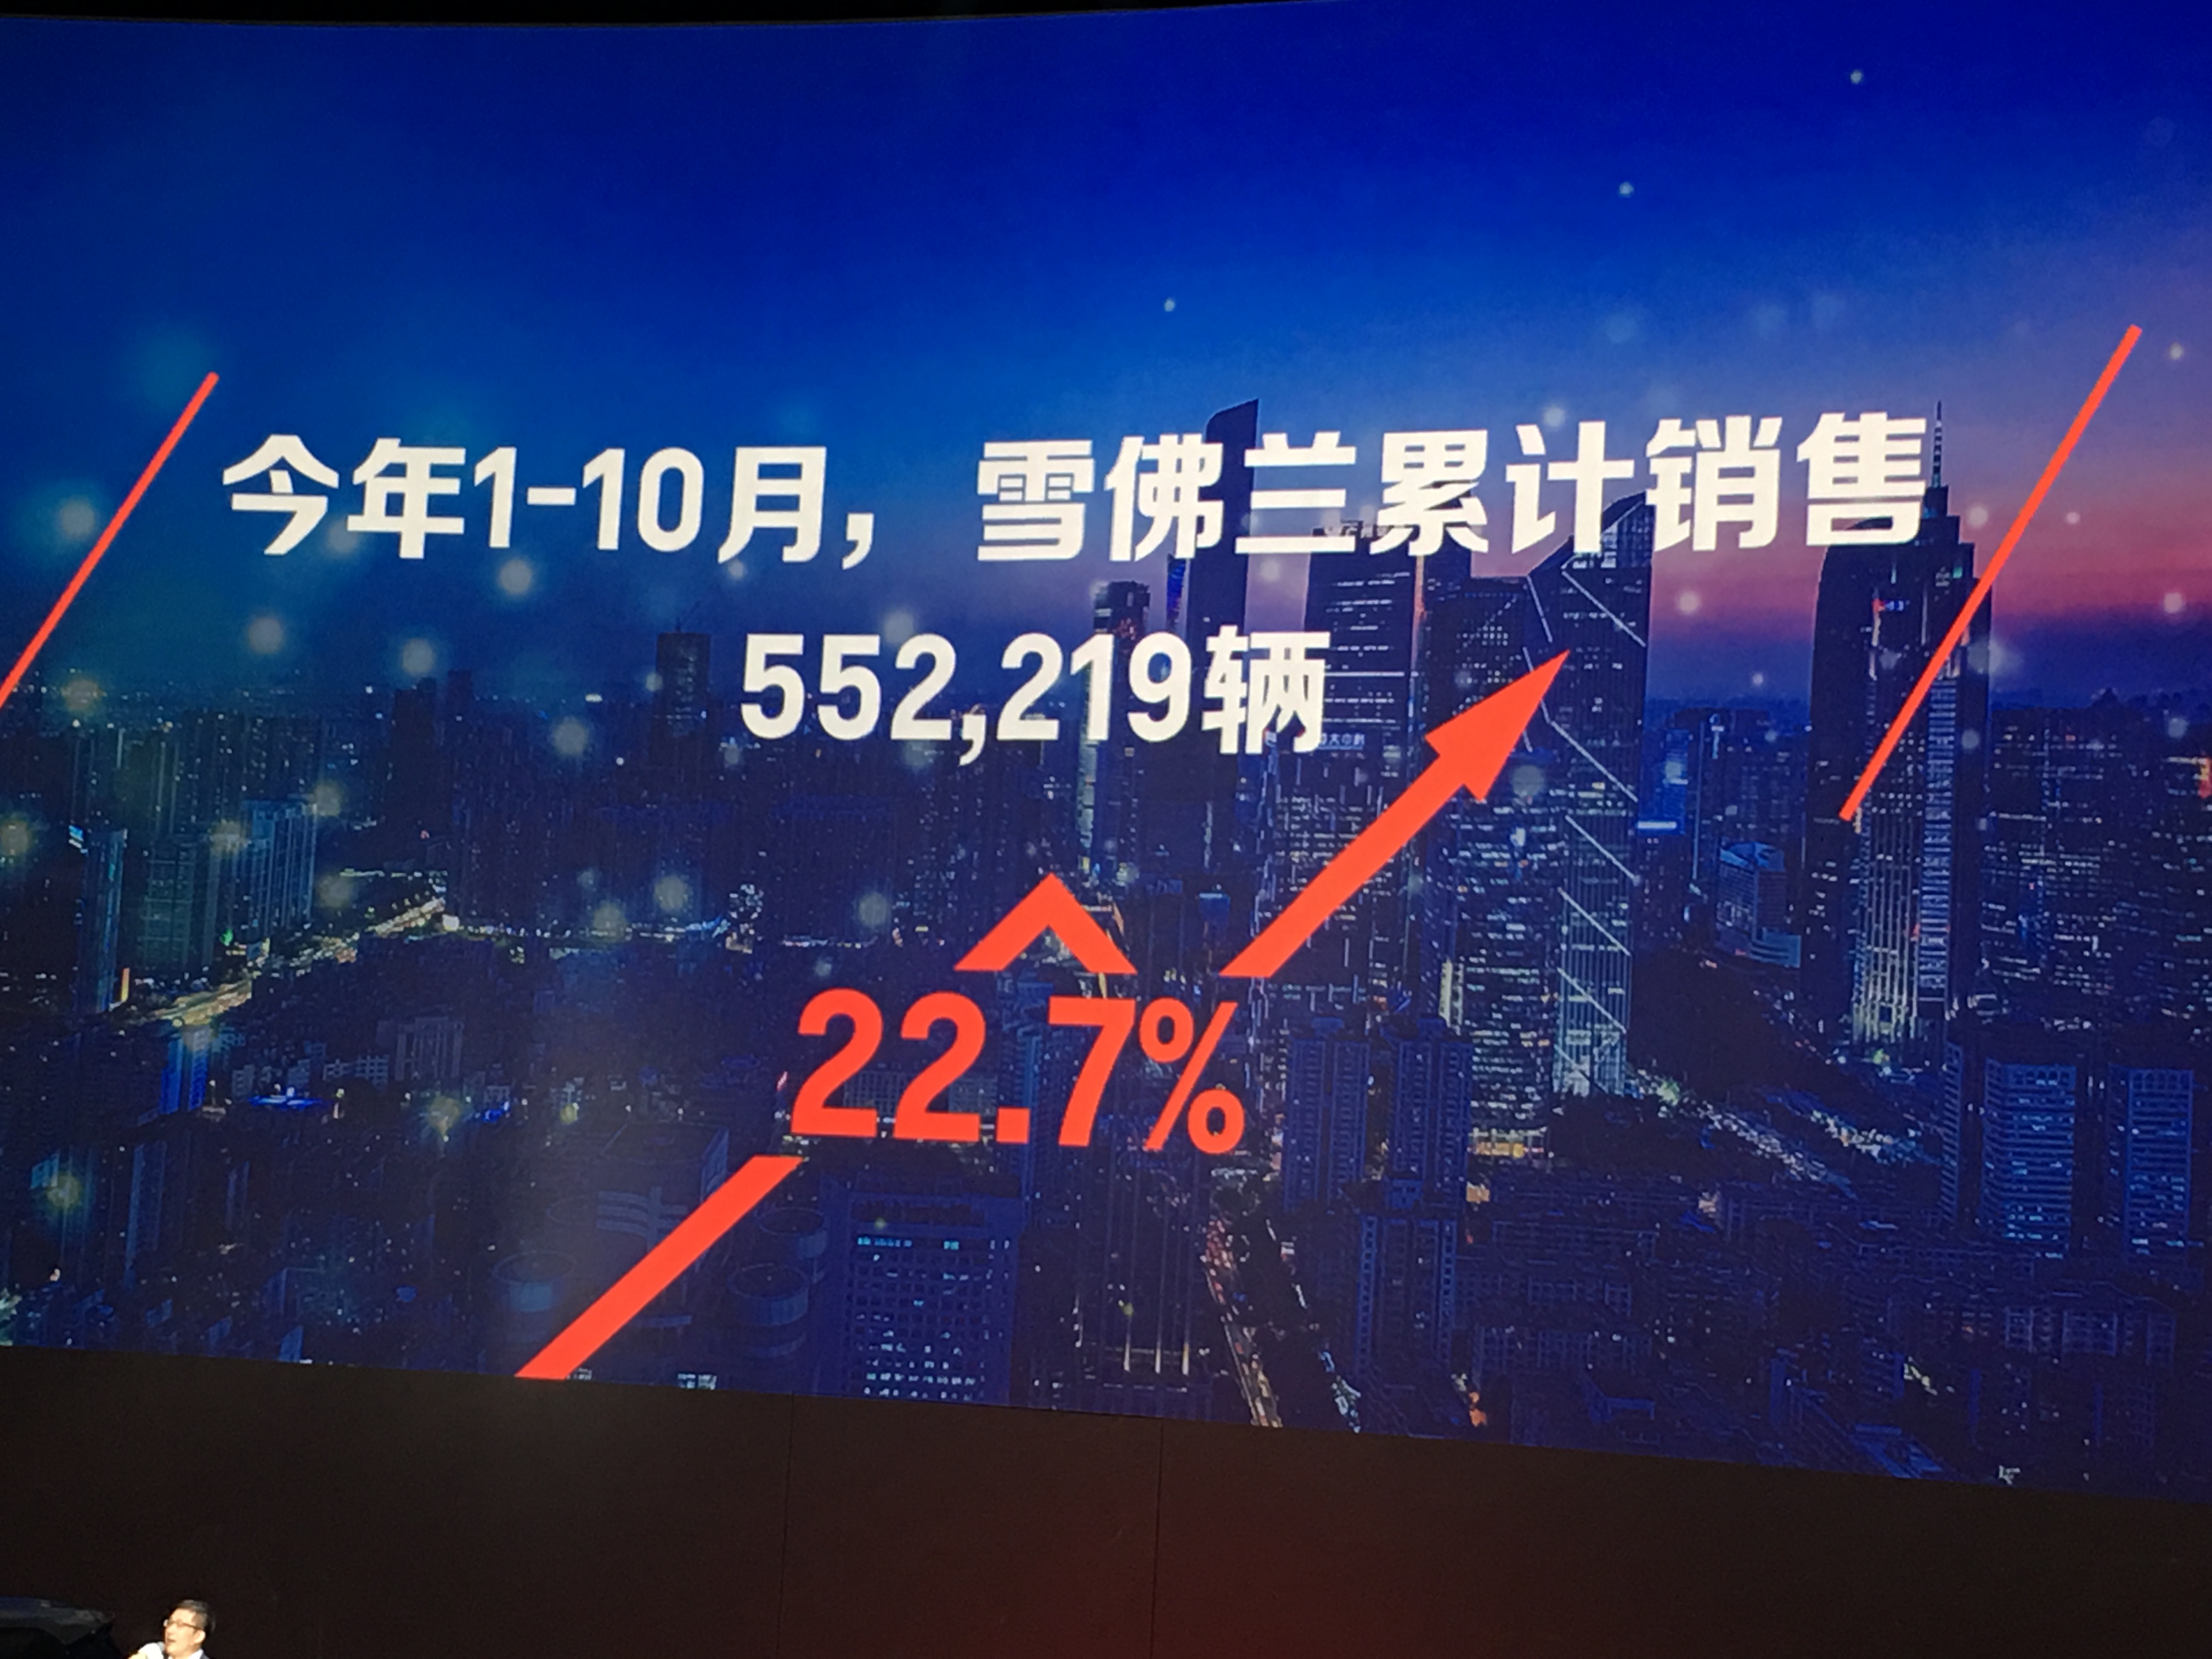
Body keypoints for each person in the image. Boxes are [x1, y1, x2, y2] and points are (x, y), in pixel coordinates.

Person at [129, 1601, 212, 1659]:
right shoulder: (152, 1654)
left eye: (180, 1625)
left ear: (198, 1636)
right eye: (170, 1623)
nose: (170, 1630)